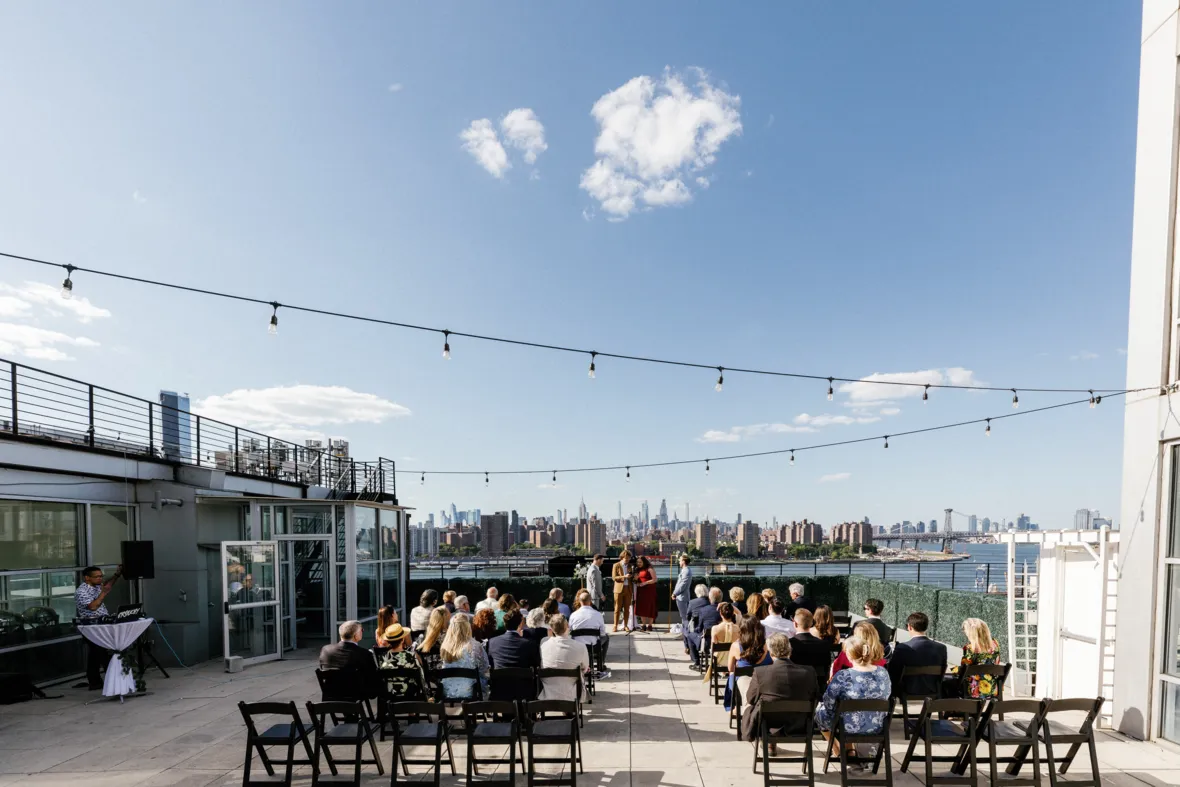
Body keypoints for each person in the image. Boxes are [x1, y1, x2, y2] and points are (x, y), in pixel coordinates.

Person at [815, 626, 891, 752]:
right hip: (876, 725)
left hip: (847, 726)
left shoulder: (843, 676)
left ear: (849, 655)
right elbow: (887, 695)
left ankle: (837, 749)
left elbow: (828, 703)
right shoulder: (883, 672)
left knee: (819, 712)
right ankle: (849, 749)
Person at [742, 634, 819, 744]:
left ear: (771, 653)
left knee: (752, 705)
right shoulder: (809, 672)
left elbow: (751, 699)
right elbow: (815, 696)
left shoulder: (760, 672)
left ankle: (770, 744)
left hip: (769, 724)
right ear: (790, 651)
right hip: (799, 723)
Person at [74, 564, 123, 689]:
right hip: (91, 627)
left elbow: (107, 585)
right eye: (97, 577)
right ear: (87, 578)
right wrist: (103, 594)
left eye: (101, 576)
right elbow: (93, 606)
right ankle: (112, 680)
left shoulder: (96, 587)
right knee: (102, 652)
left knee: (95, 654)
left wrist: (117, 575)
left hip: (101, 624)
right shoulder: (82, 591)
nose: (100, 579)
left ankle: (94, 681)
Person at [887, 612, 947, 700]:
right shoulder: (941, 648)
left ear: (909, 627)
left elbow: (893, 671)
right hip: (932, 688)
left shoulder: (902, 648)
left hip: (907, 689)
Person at [488, 609, 541, 701]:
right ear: (521, 624)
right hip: (525, 693)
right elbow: (536, 665)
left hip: (500, 691)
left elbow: (491, 664)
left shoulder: (492, 642)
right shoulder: (530, 644)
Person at [319, 620, 380, 699]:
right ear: (356, 635)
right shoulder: (364, 654)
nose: (363, 632)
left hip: (331, 693)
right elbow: (372, 677)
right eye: (362, 630)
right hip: (356, 694)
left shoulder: (326, 650)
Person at [724, 616, 772, 711]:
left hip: (742, 679)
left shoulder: (736, 646)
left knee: (732, 674)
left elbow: (730, 668)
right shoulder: (767, 645)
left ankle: (733, 705)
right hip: (764, 679)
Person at [539, 615, 590, 702]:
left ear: (551, 629)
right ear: (567, 627)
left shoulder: (544, 642)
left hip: (548, 692)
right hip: (572, 693)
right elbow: (585, 668)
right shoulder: (580, 646)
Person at [439, 615, 490, 700]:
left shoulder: (445, 647)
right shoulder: (475, 645)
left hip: (448, 690)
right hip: (470, 691)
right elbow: (484, 668)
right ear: (467, 627)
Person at [952, 617, 1002, 699]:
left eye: (965, 631)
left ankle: (953, 709)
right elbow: (996, 662)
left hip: (974, 689)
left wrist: (952, 670)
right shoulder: (995, 644)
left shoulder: (970, 648)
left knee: (947, 682)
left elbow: (964, 669)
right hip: (993, 688)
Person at [374, 623, 425, 699]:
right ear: (402, 640)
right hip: (410, 695)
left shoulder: (382, 657)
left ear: (388, 641)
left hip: (390, 695)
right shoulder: (412, 656)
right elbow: (421, 677)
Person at [788, 609, 832, 695]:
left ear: (795, 623)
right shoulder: (823, 645)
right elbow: (826, 668)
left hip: (794, 688)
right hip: (817, 688)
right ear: (811, 623)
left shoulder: (789, 644)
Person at [570, 589, 610, 678]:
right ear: (590, 601)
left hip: (577, 645)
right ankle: (601, 663)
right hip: (593, 645)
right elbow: (602, 633)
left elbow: (570, 631)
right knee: (606, 637)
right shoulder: (597, 614)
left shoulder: (573, 615)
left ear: (579, 601)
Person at [686, 587, 723, 666]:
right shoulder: (725, 610)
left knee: (689, 635)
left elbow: (700, 628)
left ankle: (696, 661)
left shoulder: (703, 610)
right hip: (724, 641)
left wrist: (696, 630)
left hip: (707, 642)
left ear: (710, 598)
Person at [413, 607, 450, 674]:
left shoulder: (424, 636)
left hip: (429, 675)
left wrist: (423, 669)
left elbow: (416, 653)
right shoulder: (449, 636)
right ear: (446, 619)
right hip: (445, 674)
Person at [612, 550, 634, 632]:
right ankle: (615, 625)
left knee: (627, 609)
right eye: (626, 558)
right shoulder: (616, 565)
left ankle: (626, 625)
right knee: (617, 608)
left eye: (629, 558)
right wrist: (624, 576)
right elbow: (614, 577)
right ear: (622, 558)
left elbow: (632, 577)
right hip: (618, 590)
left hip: (628, 589)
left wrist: (633, 576)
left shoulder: (630, 566)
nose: (627, 560)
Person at [672, 555, 693, 642]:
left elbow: (683, 585)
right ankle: (684, 633)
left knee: (684, 616)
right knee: (683, 615)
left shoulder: (686, 571)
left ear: (684, 561)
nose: (679, 562)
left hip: (682, 597)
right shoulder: (685, 571)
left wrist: (675, 593)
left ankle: (686, 634)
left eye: (680, 560)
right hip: (681, 596)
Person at [634, 556, 658, 632]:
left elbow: (655, 579)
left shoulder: (649, 568)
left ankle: (650, 625)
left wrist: (645, 583)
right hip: (641, 591)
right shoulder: (637, 570)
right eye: (637, 562)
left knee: (651, 607)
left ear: (644, 562)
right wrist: (636, 581)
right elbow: (636, 580)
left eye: (640, 562)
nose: (639, 564)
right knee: (642, 607)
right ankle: (643, 625)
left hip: (650, 591)